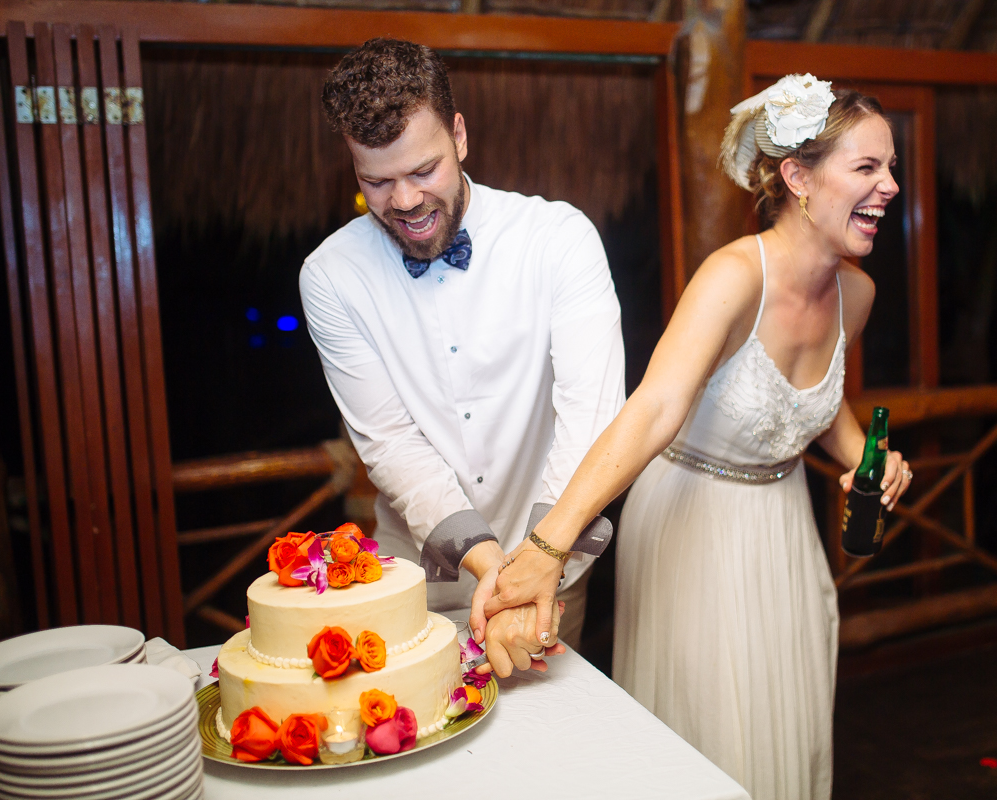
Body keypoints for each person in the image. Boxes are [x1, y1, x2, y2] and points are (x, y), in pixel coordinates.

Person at [481, 75, 913, 798]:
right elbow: (652, 407)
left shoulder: (858, 295)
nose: (892, 186)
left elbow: (818, 405)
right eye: (868, 167)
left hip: (782, 523)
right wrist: (548, 546)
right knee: (711, 720)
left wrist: (870, 456)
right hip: (692, 516)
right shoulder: (733, 277)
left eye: (891, 167)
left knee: (785, 700)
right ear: (798, 177)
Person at [300, 38, 626, 677]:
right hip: (410, 581)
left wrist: (536, 562)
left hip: (552, 575)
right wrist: (492, 566)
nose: (404, 201)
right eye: (377, 181)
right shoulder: (330, 275)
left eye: (424, 171)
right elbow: (391, 444)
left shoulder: (558, 239)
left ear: (460, 135)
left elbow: (590, 415)